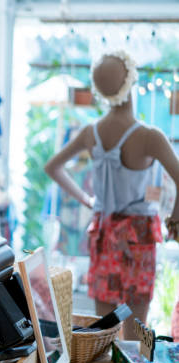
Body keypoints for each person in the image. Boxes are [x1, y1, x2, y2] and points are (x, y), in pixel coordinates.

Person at [45, 50, 179, 340]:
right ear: (131, 80)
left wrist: (87, 200)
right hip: (137, 236)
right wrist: (174, 218)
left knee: (103, 329)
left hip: (104, 231)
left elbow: (53, 167)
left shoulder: (91, 132)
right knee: (135, 330)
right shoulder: (149, 136)